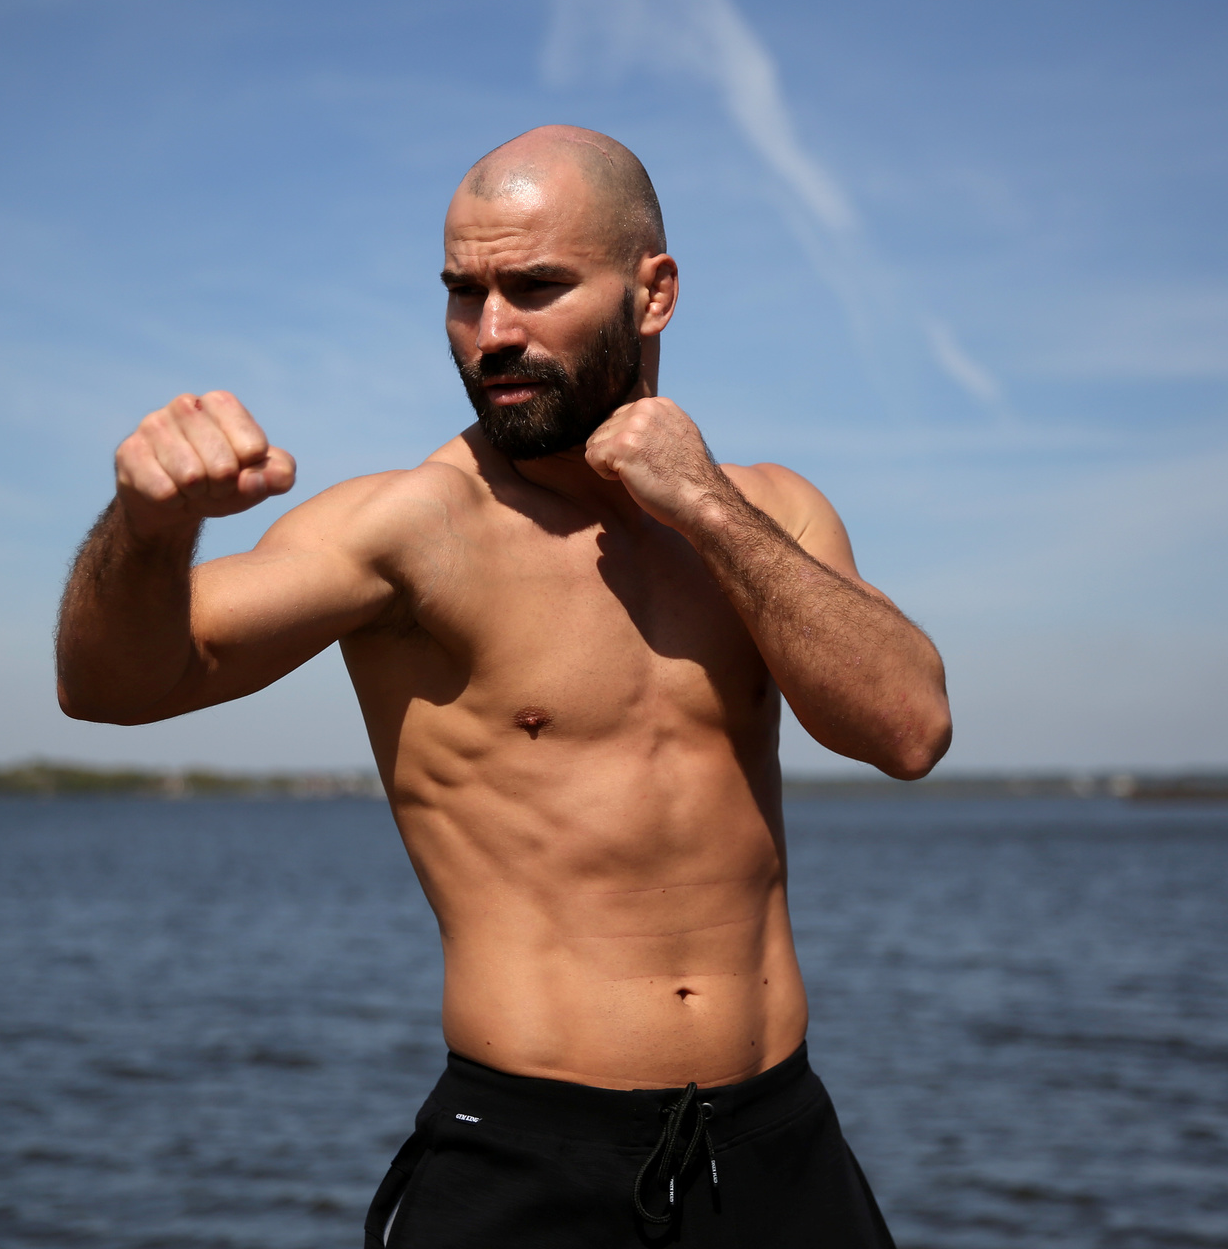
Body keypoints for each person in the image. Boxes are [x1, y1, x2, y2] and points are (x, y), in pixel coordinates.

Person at [57, 125, 951, 1248]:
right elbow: (110, 684)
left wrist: (705, 507)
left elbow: (909, 728)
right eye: (462, 293)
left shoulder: (768, 512)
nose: (491, 335)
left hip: (778, 1145)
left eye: (534, 287)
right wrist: (146, 530)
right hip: (529, 1163)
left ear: (653, 293)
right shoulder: (410, 530)